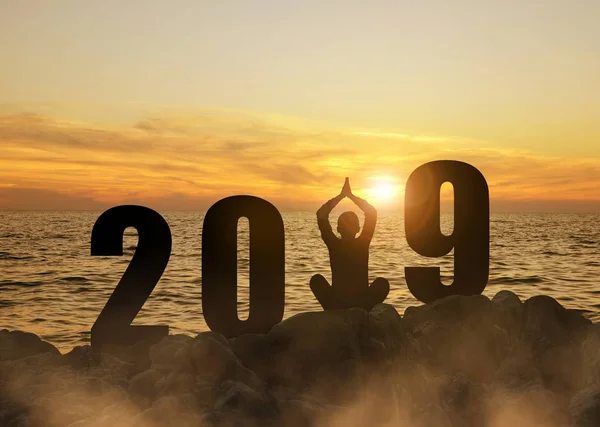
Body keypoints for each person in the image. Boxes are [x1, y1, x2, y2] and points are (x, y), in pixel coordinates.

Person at [310, 177, 389, 310]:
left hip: (342, 303)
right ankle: (358, 313)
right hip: (358, 303)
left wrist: (342, 196)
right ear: (358, 229)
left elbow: (321, 214)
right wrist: (349, 196)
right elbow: (372, 213)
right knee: (382, 283)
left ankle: (337, 312)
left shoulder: (334, 244)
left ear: (338, 229)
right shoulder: (362, 243)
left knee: (316, 280)